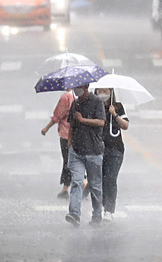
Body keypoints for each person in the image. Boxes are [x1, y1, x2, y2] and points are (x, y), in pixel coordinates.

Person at [64, 84, 106, 227]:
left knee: (95, 185)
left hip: (94, 151)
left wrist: (83, 120)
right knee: (76, 182)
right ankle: (74, 213)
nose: (76, 89)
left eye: (79, 86)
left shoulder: (97, 101)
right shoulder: (75, 104)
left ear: (86, 86)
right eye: (75, 87)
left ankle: (97, 213)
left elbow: (101, 122)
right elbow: (71, 125)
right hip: (77, 151)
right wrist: (69, 144)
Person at [94, 88, 129, 222]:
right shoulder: (94, 106)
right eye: (100, 91)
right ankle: (102, 205)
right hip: (98, 149)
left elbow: (125, 125)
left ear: (111, 92)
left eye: (105, 91)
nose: (103, 94)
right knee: (100, 180)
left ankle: (109, 209)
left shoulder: (118, 106)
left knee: (111, 178)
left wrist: (114, 114)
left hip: (115, 150)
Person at [41, 89, 76, 199]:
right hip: (79, 134)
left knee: (68, 161)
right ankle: (74, 185)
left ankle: (72, 186)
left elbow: (58, 115)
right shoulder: (82, 97)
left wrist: (46, 128)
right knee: (76, 160)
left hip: (66, 134)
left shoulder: (66, 97)